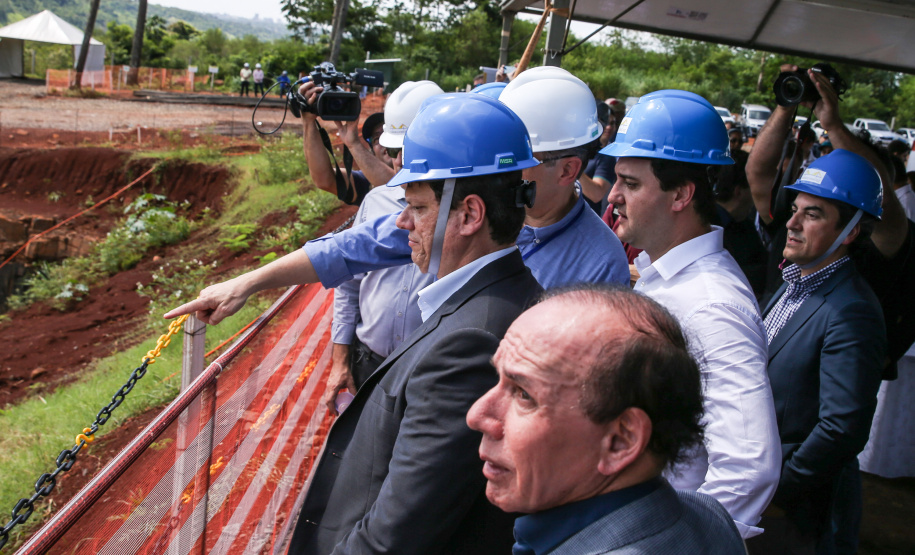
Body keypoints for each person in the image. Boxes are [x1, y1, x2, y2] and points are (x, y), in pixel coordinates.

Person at [167, 93, 543, 554]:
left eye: (417, 208)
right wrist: (250, 282)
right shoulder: (497, 298)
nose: (400, 223)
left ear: (469, 215)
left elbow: (396, 534)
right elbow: (351, 247)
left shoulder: (470, 343)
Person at [602, 89, 781, 539]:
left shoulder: (711, 304)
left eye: (631, 184)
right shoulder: (667, 278)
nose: (613, 196)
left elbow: (748, 466)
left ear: (681, 194)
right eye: (617, 180)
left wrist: (677, 545)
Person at [466, 284, 746, 554]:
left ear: (620, 441)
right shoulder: (707, 514)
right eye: (498, 379)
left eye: (524, 394)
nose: (477, 415)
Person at [746, 149, 886, 555]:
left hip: (791, 515)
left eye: (813, 214)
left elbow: (842, 428)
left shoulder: (851, 310)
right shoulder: (794, 283)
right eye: (795, 210)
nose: (792, 223)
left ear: (851, 232)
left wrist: (778, 489)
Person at [324, 80, 443, 410]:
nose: (399, 161)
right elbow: (348, 284)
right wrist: (340, 360)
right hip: (368, 364)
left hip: (428, 372)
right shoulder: (375, 201)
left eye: (410, 150)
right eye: (393, 151)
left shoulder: (459, 213)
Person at [496, 66, 630, 287]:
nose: (502, 171)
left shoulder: (600, 268)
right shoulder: (488, 214)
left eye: (519, 160)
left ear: (567, 170)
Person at [299, 78, 396, 205]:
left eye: (389, 134)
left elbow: (395, 187)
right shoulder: (367, 182)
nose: (384, 142)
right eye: (377, 139)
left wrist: (354, 145)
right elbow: (324, 180)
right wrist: (308, 121)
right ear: (373, 153)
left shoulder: (419, 180)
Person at [712, 128, 767, 298]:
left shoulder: (746, 227)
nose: (757, 196)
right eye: (754, 188)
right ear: (739, 191)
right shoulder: (703, 227)